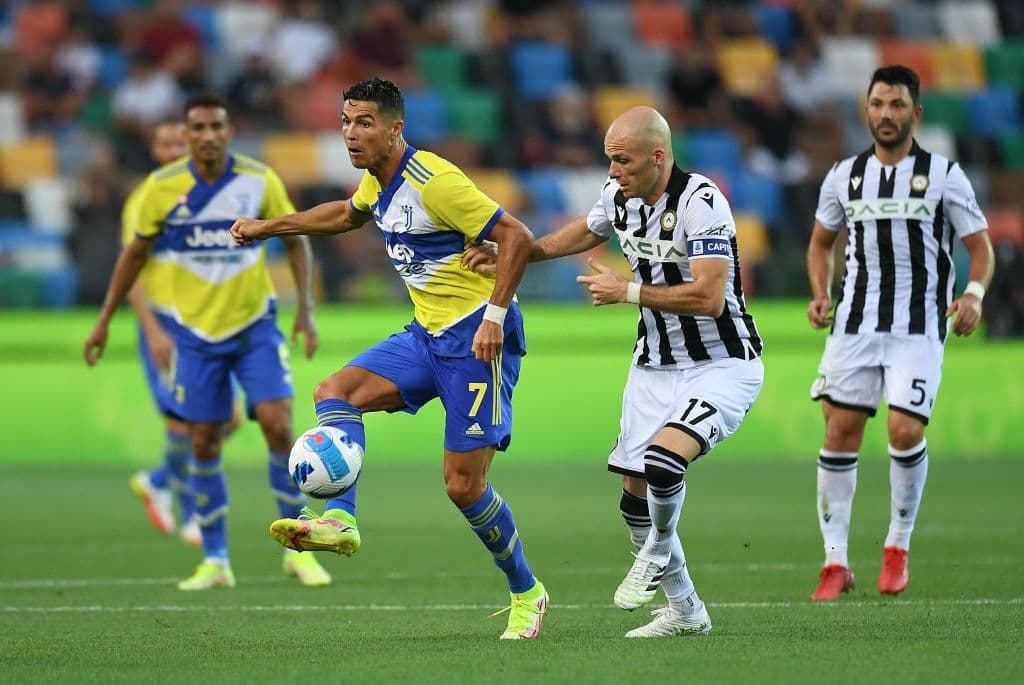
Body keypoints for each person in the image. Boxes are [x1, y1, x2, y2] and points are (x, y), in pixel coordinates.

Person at [229, 77, 548, 640]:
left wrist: (496, 317)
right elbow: (348, 215)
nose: (352, 133)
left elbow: (516, 236)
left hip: (477, 339)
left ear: (395, 128)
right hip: (426, 336)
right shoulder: (376, 183)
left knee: (462, 487)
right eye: (347, 122)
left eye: (365, 122)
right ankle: (340, 519)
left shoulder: (435, 180)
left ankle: (527, 592)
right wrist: (268, 227)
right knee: (334, 392)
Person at [464, 106, 765, 638]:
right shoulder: (620, 198)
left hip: (722, 363)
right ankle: (686, 609)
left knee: (664, 462)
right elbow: (580, 234)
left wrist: (626, 291)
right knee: (633, 491)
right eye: (608, 160)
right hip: (653, 365)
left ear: (657, 156)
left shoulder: (701, 202)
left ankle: (656, 549)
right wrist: (513, 254)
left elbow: (711, 296)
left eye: (622, 160)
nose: (612, 171)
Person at [83, 93, 331, 591]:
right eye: (197, 127)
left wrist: (303, 309)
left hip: (254, 326)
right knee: (202, 438)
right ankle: (216, 560)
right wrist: (106, 318)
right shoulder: (159, 189)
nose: (207, 135)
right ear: (188, 133)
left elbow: (294, 238)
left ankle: (298, 550)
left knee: (280, 426)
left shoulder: (257, 180)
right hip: (193, 334)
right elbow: (133, 256)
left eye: (216, 126)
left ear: (228, 131)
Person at [806, 66, 994, 600]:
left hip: (918, 325)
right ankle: (835, 563)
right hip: (855, 323)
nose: (886, 114)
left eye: (897, 104)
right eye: (878, 104)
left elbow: (980, 247)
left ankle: (897, 546)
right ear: (866, 110)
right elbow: (821, 242)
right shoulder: (844, 175)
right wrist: (821, 291)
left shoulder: (943, 175)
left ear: (917, 113)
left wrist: (974, 295)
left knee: (904, 432)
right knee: (839, 431)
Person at [122, 121, 242, 546]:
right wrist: (153, 330)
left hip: (206, 322)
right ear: (155, 150)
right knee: (187, 420)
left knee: (230, 417)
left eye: (180, 141)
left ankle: (158, 481)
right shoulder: (146, 199)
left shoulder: (207, 193)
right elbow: (132, 269)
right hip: (168, 324)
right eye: (165, 142)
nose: (174, 149)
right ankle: (193, 513)